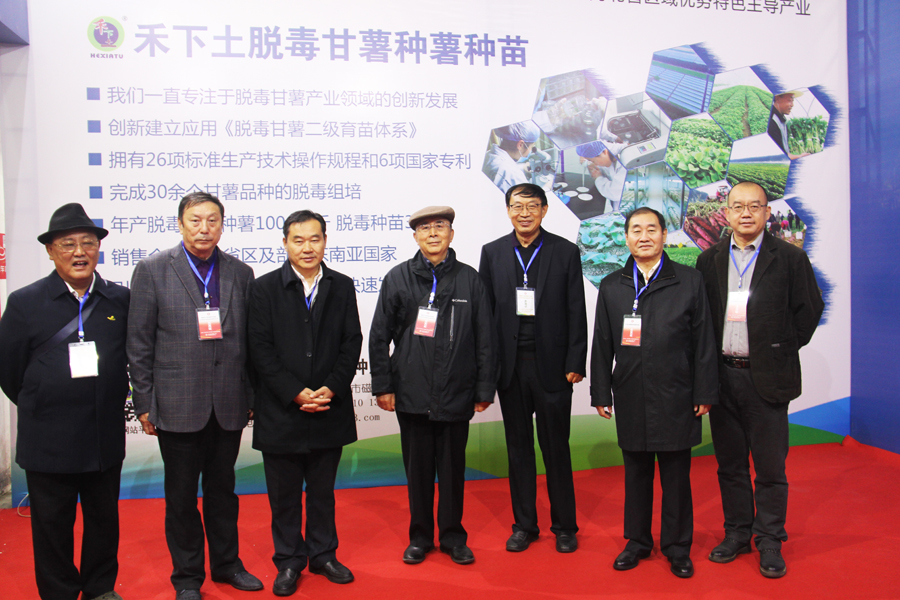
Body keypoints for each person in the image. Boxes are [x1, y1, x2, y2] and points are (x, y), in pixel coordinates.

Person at [127, 192, 261, 600]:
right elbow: (139, 343)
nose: (204, 229)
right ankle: (187, 578)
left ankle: (227, 564)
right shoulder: (152, 270)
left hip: (228, 402)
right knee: (181, 498)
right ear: (180, 224)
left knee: (223, 492)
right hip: (176, 402)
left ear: (222, 224)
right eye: (195, 220)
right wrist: (144, 402)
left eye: (212, 220)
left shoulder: (240, 272)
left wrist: (250, 394)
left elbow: (251, 342)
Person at [0, 204, 129, 600]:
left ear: (98, 249)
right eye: (68, 244)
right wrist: (45, 401)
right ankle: (59, 592)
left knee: (103, 520)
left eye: (87, 243)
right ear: (50, 251)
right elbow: (9, 371)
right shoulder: (25, 302)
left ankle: (100, 588)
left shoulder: (119, 299)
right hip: (49, 440)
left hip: (102, 436)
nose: (79, 252)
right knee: (52, 526)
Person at [695, 181, 824, 578]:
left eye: (755, 206)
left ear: (768, 212)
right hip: (723, 377)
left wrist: (777, 349)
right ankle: (736, 533)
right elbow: (702, 319)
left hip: (766, 378)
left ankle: (769, 538)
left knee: (769, 468)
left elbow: (808, 311)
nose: (746, 213)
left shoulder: (789, 257)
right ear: (727, 213)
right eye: (738, 206)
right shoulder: (709, 260)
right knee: (730, 465)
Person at [591, 207, 718, 578]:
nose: (643, 236)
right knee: (636, 474)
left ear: (664, 234)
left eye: (651, 229)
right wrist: (601, 392)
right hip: (630, 391)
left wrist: (705, 389)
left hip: (677, 393)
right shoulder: (612, 285)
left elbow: (704, 340)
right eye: (636, 230)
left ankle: (678, 547)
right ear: (626, 237)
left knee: (676, 476)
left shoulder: (689, 281)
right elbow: (602, 342)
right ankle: (637, 541)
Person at [369, 206, 496, 566]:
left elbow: (486, 338)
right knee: (419, 472)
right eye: (425, 228)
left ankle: (454, 537)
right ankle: (420, 538)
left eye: (440, 226)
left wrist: (484, 388)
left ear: (451, 234)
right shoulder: (398, 278)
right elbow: (379, 336)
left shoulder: (470, 279)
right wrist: (383, 385)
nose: (433, 233)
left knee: (453, 472)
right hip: (412, 392)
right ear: (416, 237)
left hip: (457, 391)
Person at [247, 210, 362, 595]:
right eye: (298, 240)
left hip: (329, 408)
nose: (307, 247)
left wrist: (332, 387)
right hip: (281, 411)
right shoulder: (264, 289)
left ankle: (324, 555)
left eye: (315, 239)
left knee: (322, 492)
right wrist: (294, 391)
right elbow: (259, 349)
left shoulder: (342, 286)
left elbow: (351, 342)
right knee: (283, 496)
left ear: (325, 241)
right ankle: (289, 560)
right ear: (285, 243)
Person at [478, 183, 587, 553]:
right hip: (510, 368)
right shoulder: (492, 252)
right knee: (518, 449)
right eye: (517, 206)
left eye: (532, 206)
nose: (524, 213)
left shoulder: (565, 251)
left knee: (557, 448)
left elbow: (576, 308)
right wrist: (488, 368)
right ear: (508, 210)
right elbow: (484, 315)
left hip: (553, 367)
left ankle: (565, 527)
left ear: (544, 210)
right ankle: (524, 525)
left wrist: (575, 360)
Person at [483, 121, 542, 193]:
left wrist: (522, 167)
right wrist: (547, 187)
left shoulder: (489, 155)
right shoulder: (511, 174)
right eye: (531, 147)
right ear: (520, 145)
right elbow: (530, 198)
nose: (530, 151)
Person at [576, 140, 628, 212]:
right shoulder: (606, 156)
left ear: (604, 152)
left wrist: (598, 178)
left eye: (593, 161)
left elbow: (614, 193)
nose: (595, 164)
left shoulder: (625, 162)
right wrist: (590, 165)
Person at [768, 92, 810, 160]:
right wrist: (799, 156)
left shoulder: (781, 119)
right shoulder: (771, 121)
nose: (792, 105)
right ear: (777, 99)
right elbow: (778, 156)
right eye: (790, 100)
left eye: (792, 101)